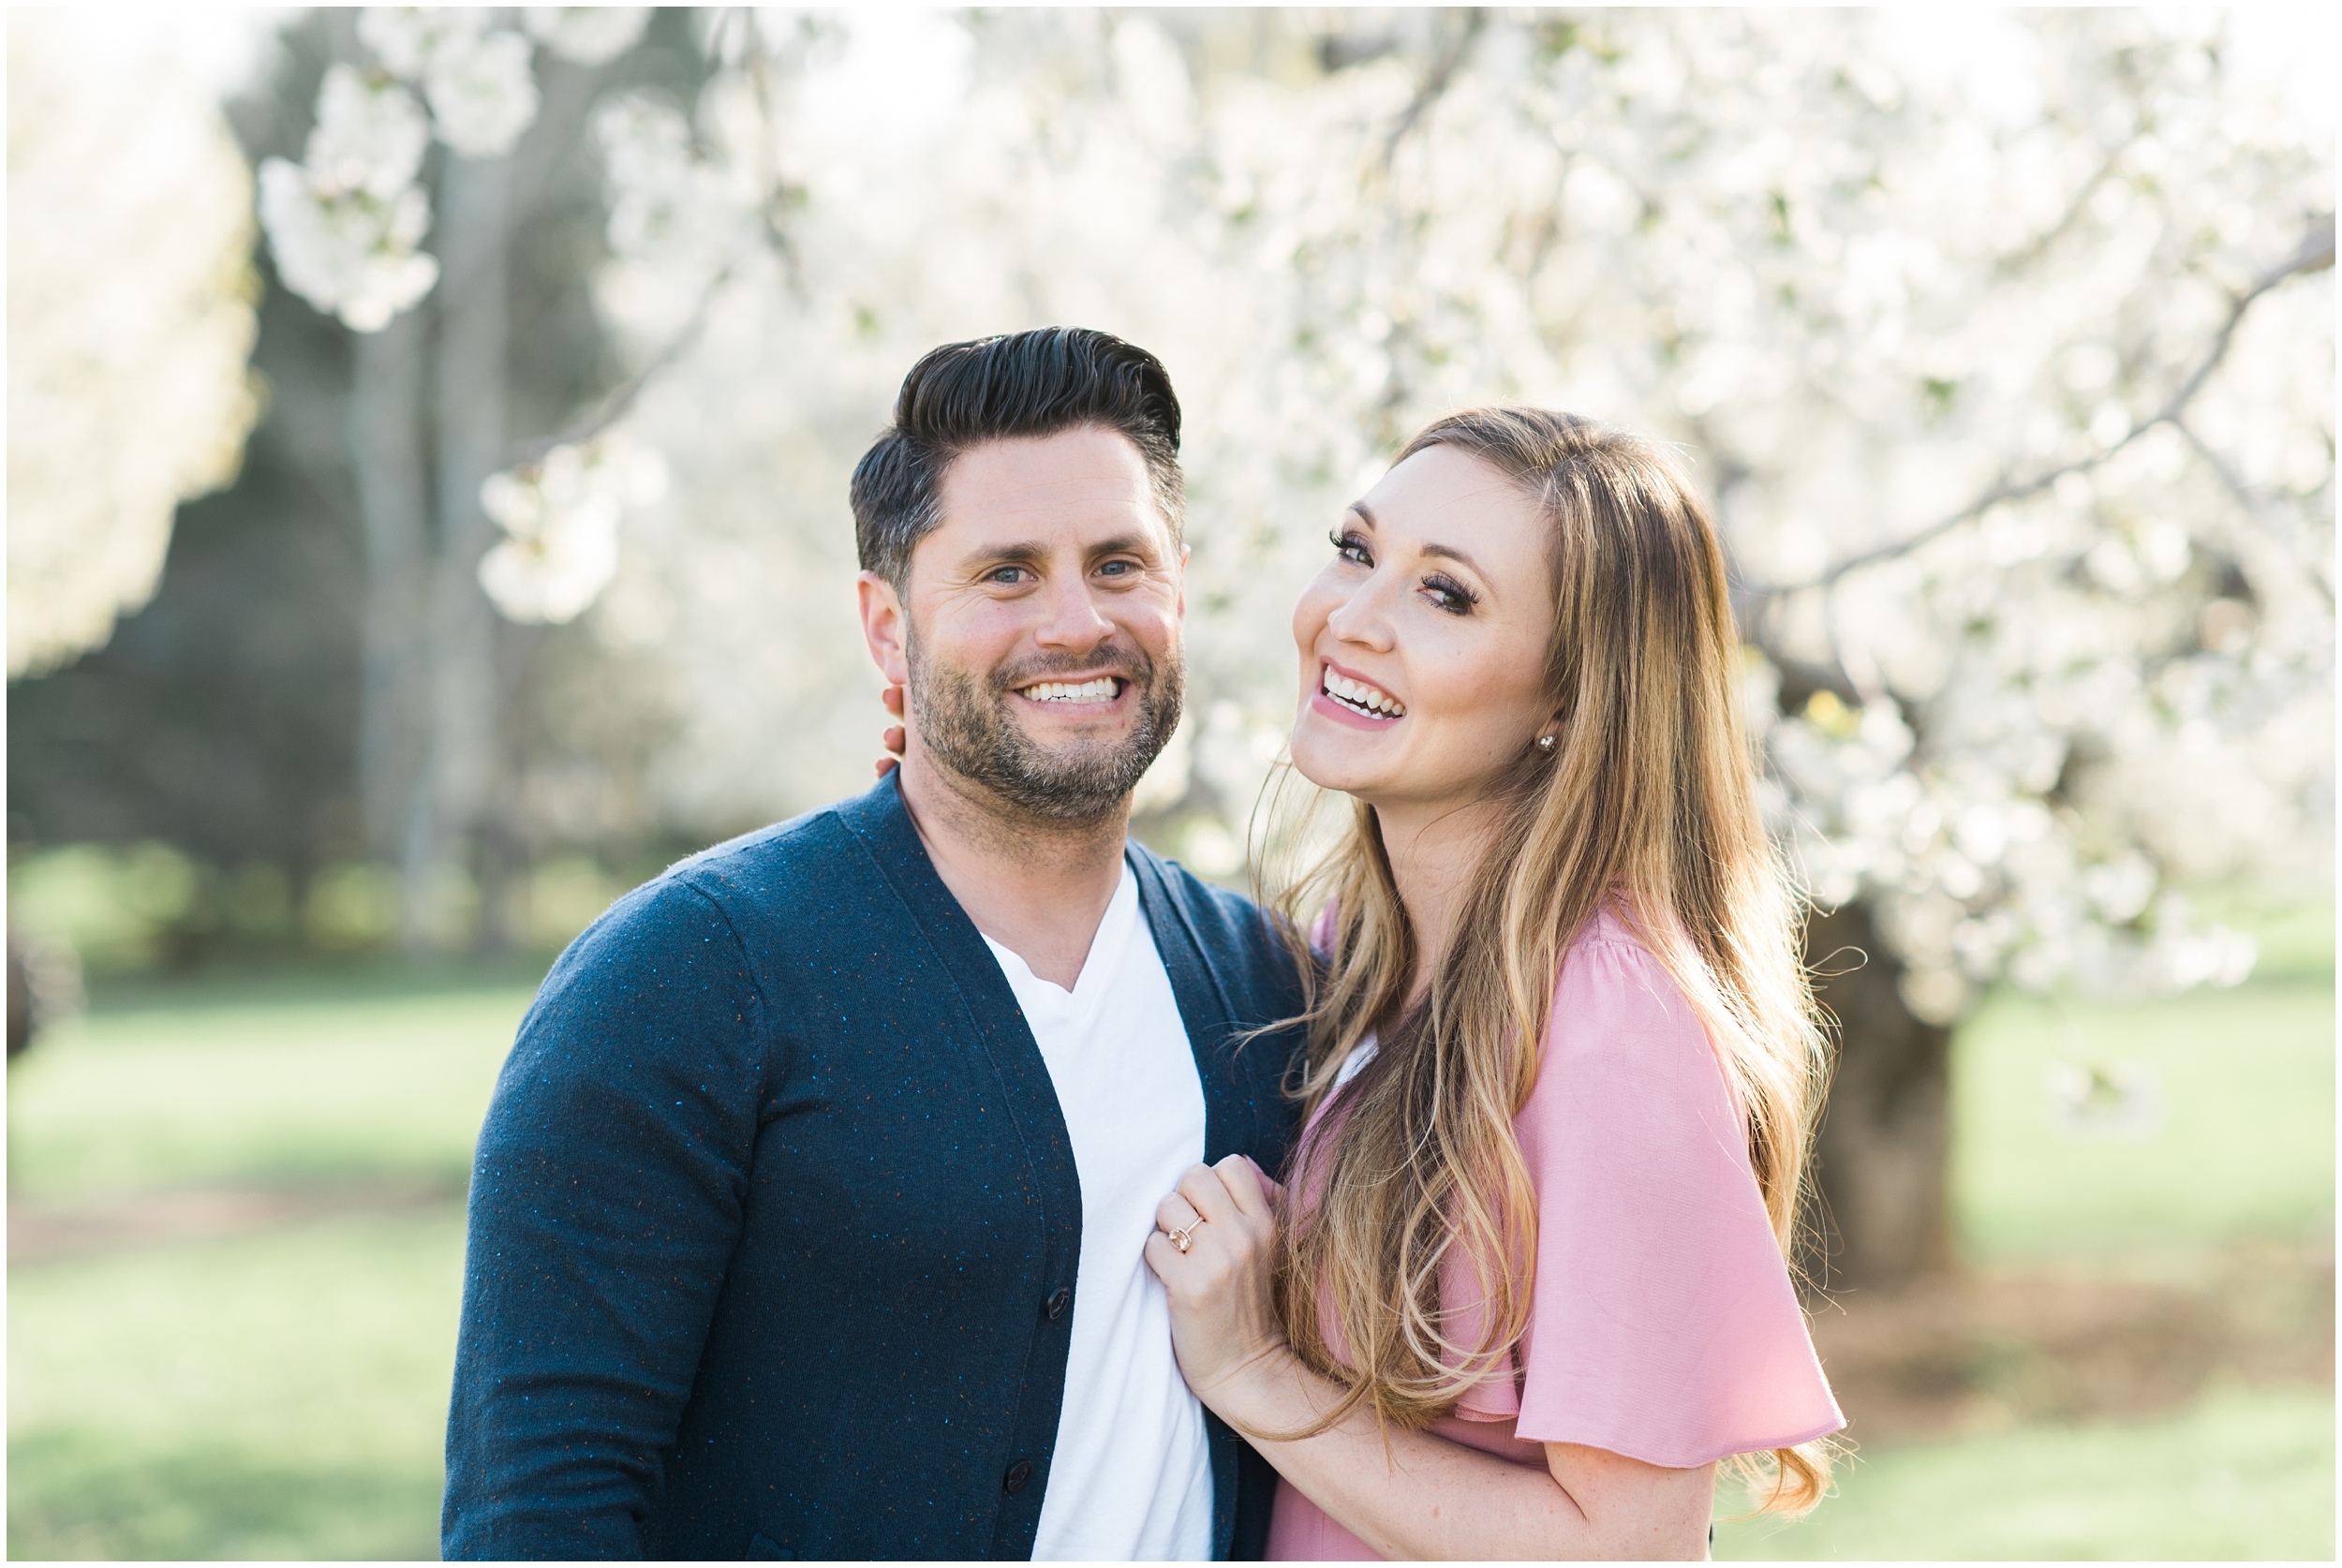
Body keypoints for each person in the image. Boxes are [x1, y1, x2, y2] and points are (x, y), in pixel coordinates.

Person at [441, 328, 1305, 1561]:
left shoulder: (1265, 988)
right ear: (885, 627)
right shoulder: (687, 977)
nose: (1077, 621)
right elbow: (537, 1514)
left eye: (1120, 563)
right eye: (1006, 573)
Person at [1140, 407, 1845, 1559]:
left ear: (1568, 700)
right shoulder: (1362, 956)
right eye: (1359, 552)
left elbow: (1626, 1545)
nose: (1350, 621)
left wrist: (1257, 1374)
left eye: (1447, 596)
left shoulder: (1612, 1024)